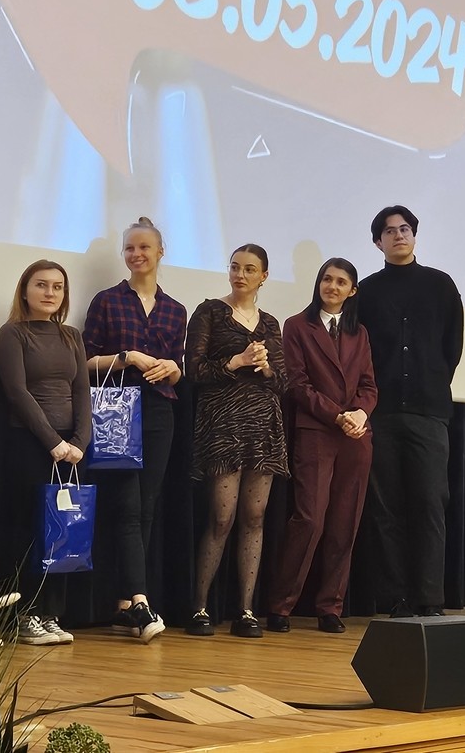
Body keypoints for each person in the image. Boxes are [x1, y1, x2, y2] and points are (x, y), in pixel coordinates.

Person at [81, 217, 187, 643]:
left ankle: (125, 604)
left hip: (160, 410)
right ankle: (141, 602)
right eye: (129, 248)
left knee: (146, 507)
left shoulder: (176, 309)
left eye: (144, 247)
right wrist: (127, 357)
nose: (136, 254)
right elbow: (84, 362)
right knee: (126, 506)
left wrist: (174, 368)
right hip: (116, 410)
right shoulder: (107, 301)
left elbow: (178, 370)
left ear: (160, 252)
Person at [356, 205, 464, 617]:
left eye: (405, 229)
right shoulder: (366, 291)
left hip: (428, 411)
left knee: (430, 504)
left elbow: (451, 347)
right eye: (389, 231)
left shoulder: (440, 285)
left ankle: (429, 597)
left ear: (414, 236)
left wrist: (431, 381)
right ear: (377, 242)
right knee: (386, 508)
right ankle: (395, 597)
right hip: (381, 413)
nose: (399, 235)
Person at [267, 258, 377, 634]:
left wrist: (360, 413)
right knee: (309, 519)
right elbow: (297, 384)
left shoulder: (359, 333)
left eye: (341, 282)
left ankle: (330, 605)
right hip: (316, 431)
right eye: (327, 279)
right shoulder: (297, 325)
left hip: (355, 437)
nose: (332, 286)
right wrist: (338, 416)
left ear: (352, 291)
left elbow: (369, 385)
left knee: (345, 522)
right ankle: (281, 605)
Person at [184, 244, 286, 638]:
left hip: (263, 430)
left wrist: (265, 367)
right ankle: (199, 607)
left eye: (249, 269)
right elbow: (194, 369)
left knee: (255, 518)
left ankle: (246, 610)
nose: (240, 275)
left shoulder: (271, 323)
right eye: (234, 267)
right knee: (222, 518)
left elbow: (283, 382)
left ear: (264, 276)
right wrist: (236, 362)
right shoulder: (210, 311)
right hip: (222, 427)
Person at [0, 261, 90, 645]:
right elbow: (17, 393)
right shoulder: (12, 333)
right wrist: (53, 442)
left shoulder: (71, 336)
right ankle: (23, 614)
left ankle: (50, 613)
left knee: (62, 532)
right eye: (41, 285)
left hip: (70, 448)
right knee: (28, 530)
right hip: (30, 443)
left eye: (57, 287)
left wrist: (80, 441)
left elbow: (81, 391)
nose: (50, 293)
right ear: (25, 290)